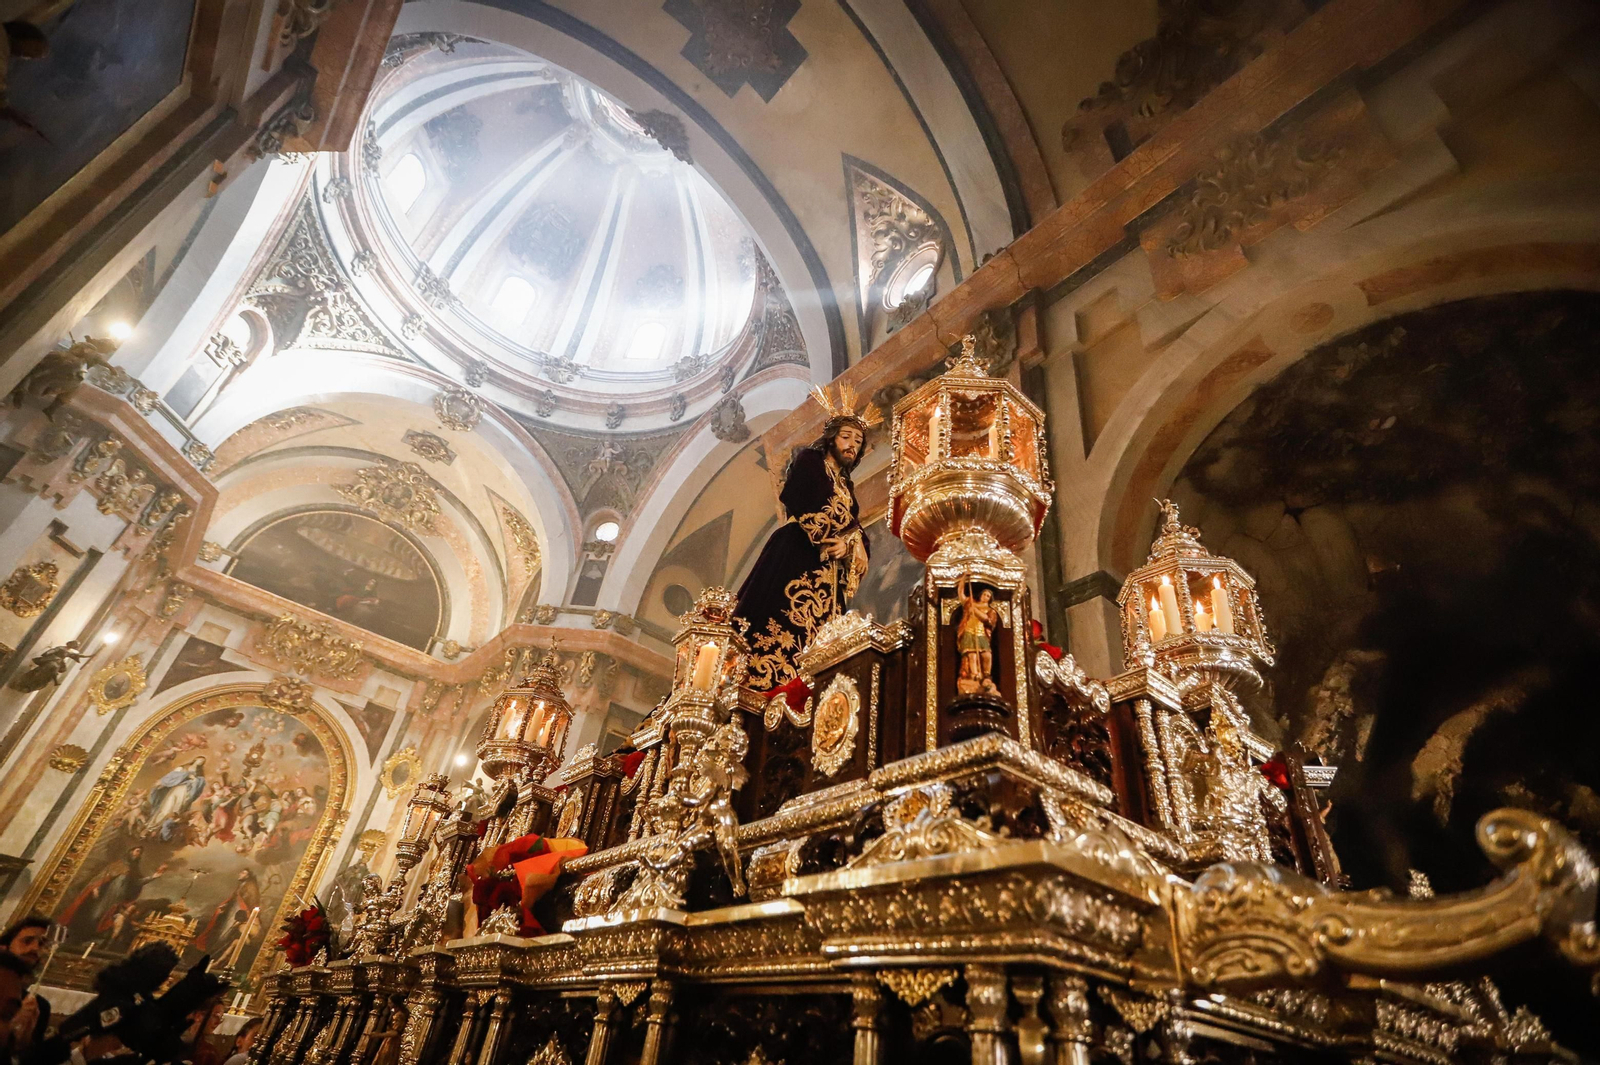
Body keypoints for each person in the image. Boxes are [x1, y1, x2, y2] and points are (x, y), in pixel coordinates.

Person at [735, 384, 880, 689]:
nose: (852, 445)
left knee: (816, 639)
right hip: (797, 552)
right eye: (846, 437)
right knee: (778, 617)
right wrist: (845, 537)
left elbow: (856, 528)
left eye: (858, 441)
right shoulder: (810, 462)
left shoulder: (847, 489)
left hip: (826, 575)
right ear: (830, 440)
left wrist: (852, 543)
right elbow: (808, 499)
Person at [0, 916, 53, 1058]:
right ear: (4, 947)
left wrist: (23, 1041)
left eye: (42, 944)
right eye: (27, 941)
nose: (35, 948)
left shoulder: (40, 1006)